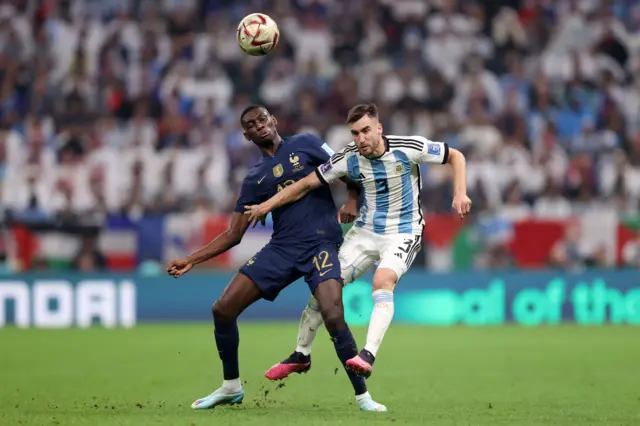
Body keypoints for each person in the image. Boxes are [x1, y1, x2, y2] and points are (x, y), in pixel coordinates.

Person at [167, 105, 386, 412]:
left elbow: (347, 166)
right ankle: (231, 387)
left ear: (274, 120)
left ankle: (363, 397)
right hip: (282, 249)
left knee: (334, 314)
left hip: (321, 245)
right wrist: (192, 259)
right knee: (222, 310)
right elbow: (234, 234)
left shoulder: (308, 143)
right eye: (251, 124)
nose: (259, 125)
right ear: (247, 135)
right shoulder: (254, 179)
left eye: (262, 119)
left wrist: (351, 198)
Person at [245, 103, 471, 380]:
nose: (361, 138)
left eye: (366, 131)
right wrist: (267, 204)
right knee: (323, 287)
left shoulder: (409, 146)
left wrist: (460, 194)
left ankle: (367, 354)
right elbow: (304, 184)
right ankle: (301, 354)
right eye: (355, 133)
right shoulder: (348, 158)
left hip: (403, 232)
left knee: (382, 282)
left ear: (379, 128)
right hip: (364, 233)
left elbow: (456, 156)